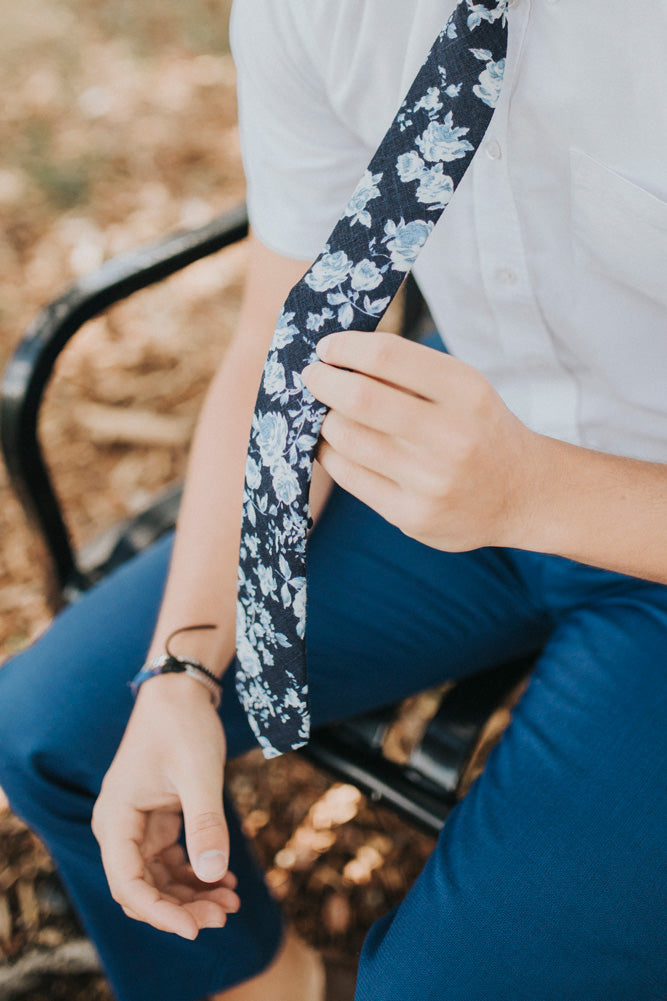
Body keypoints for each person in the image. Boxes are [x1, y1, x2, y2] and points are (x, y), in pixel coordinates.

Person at [1, 0, 666, 999]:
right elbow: (292, 329)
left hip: (625, 524)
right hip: (463, 447)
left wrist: (534, 491)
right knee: (63, 731)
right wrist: (183, 665)